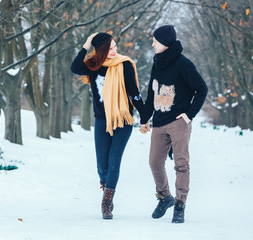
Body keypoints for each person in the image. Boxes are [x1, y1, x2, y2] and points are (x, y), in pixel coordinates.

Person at [71, 32, 144, 220]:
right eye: (110, 48)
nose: (114, 51)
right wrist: (86, 44)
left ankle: (107, 202)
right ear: (100, 50)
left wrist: (145, 116)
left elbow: (134, 93)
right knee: (101, 166)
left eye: (115, 47)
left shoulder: (124, 64)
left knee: (113, 162)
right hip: (102, 120)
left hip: (123, 119)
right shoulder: (93, 65)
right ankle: (106, 186)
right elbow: (75, 67)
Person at [140, 25, 208, 223]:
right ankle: (164, 197)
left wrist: (189, 115)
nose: (152, 43)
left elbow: (201, 89)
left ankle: (180, 204)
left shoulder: (183, 64)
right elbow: (151, 95)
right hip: (159, 123)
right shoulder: (157, 64)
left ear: (165, 43)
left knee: (181, 164)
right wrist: (144, 119)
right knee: (154, 162)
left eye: (155, 40)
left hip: (179, 122)